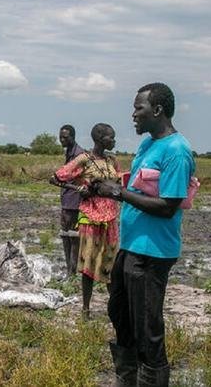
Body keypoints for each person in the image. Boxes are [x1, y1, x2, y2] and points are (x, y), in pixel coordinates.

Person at [94, 83, 195, 387]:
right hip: (131, 247)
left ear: (158, 110)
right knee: (120, 316)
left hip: (153, 253)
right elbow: (138, 189)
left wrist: (120, 194)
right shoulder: (148, 145)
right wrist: (107, 189)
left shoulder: (177, 150)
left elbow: (168, 206)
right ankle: (128, 379)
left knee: (147, 330)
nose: (133, 114)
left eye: (139, 108)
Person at [50, 123, 121, 318]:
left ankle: (114, 309)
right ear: (99, 138)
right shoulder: (84, 160)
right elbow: (56, 178)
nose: (114, 141)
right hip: (90, 217)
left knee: (110, 264)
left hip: (111, 219)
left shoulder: (112, 161)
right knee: (88, 265)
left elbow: (119, 184)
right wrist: (79, 189)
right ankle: (86, 308)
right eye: (110, 137)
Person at [57, 124, 86, 277]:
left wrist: (59, 181)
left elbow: (72, 178)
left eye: (65, 137)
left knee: (73, 237)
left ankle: (72, 273)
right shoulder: (69, 152)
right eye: (60, 137)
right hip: (67, 200)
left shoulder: (79, 155)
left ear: (73, 137)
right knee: (65, 235)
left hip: (74, 202)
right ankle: (70, 271)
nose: (62, 140)